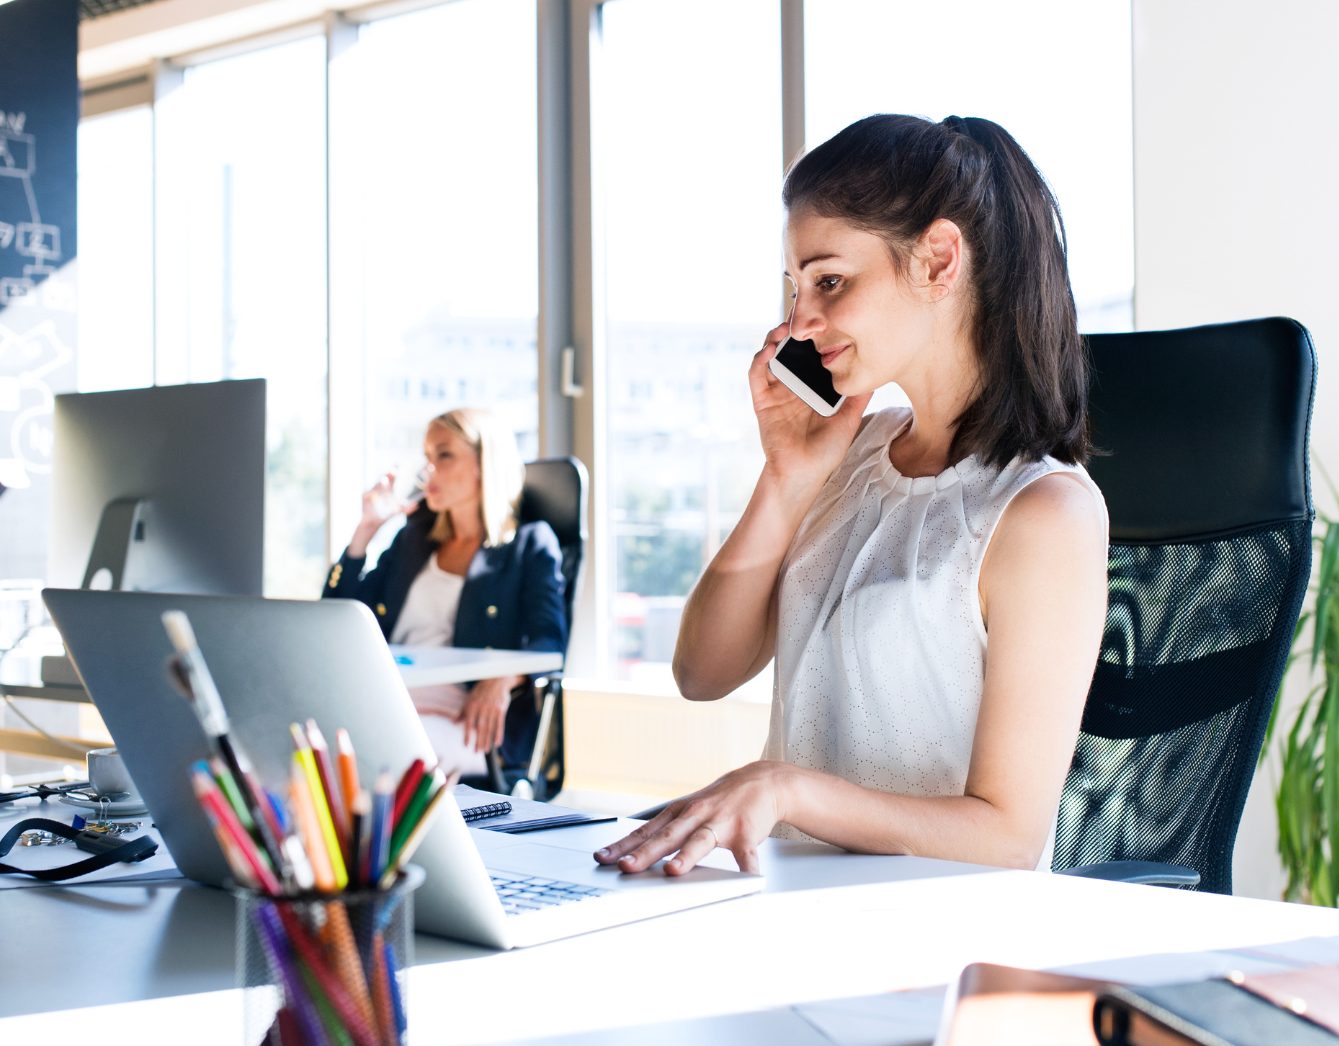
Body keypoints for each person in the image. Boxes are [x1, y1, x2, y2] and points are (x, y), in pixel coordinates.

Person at [595, 114, 1108, 877]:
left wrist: (789, 791)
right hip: (786, 900)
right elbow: (701, 672)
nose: (799, 321)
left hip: (924, 940)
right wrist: (787, 477)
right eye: (796, 288)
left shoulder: (1042, 513)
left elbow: (1007, 837)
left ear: (937, 261)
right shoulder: (852, 451)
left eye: (828, 281)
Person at [323, 407, 567, 782]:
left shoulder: (529, 545)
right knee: (302, 744)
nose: (427, 471)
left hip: (464, 716)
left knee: (379, 757)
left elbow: (549, 641)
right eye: (427, 458)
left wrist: (503, 678)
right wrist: (366, 531)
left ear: (484, 464)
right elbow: (336, 619)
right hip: (383, 698)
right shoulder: (414, 540)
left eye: (444, 455)